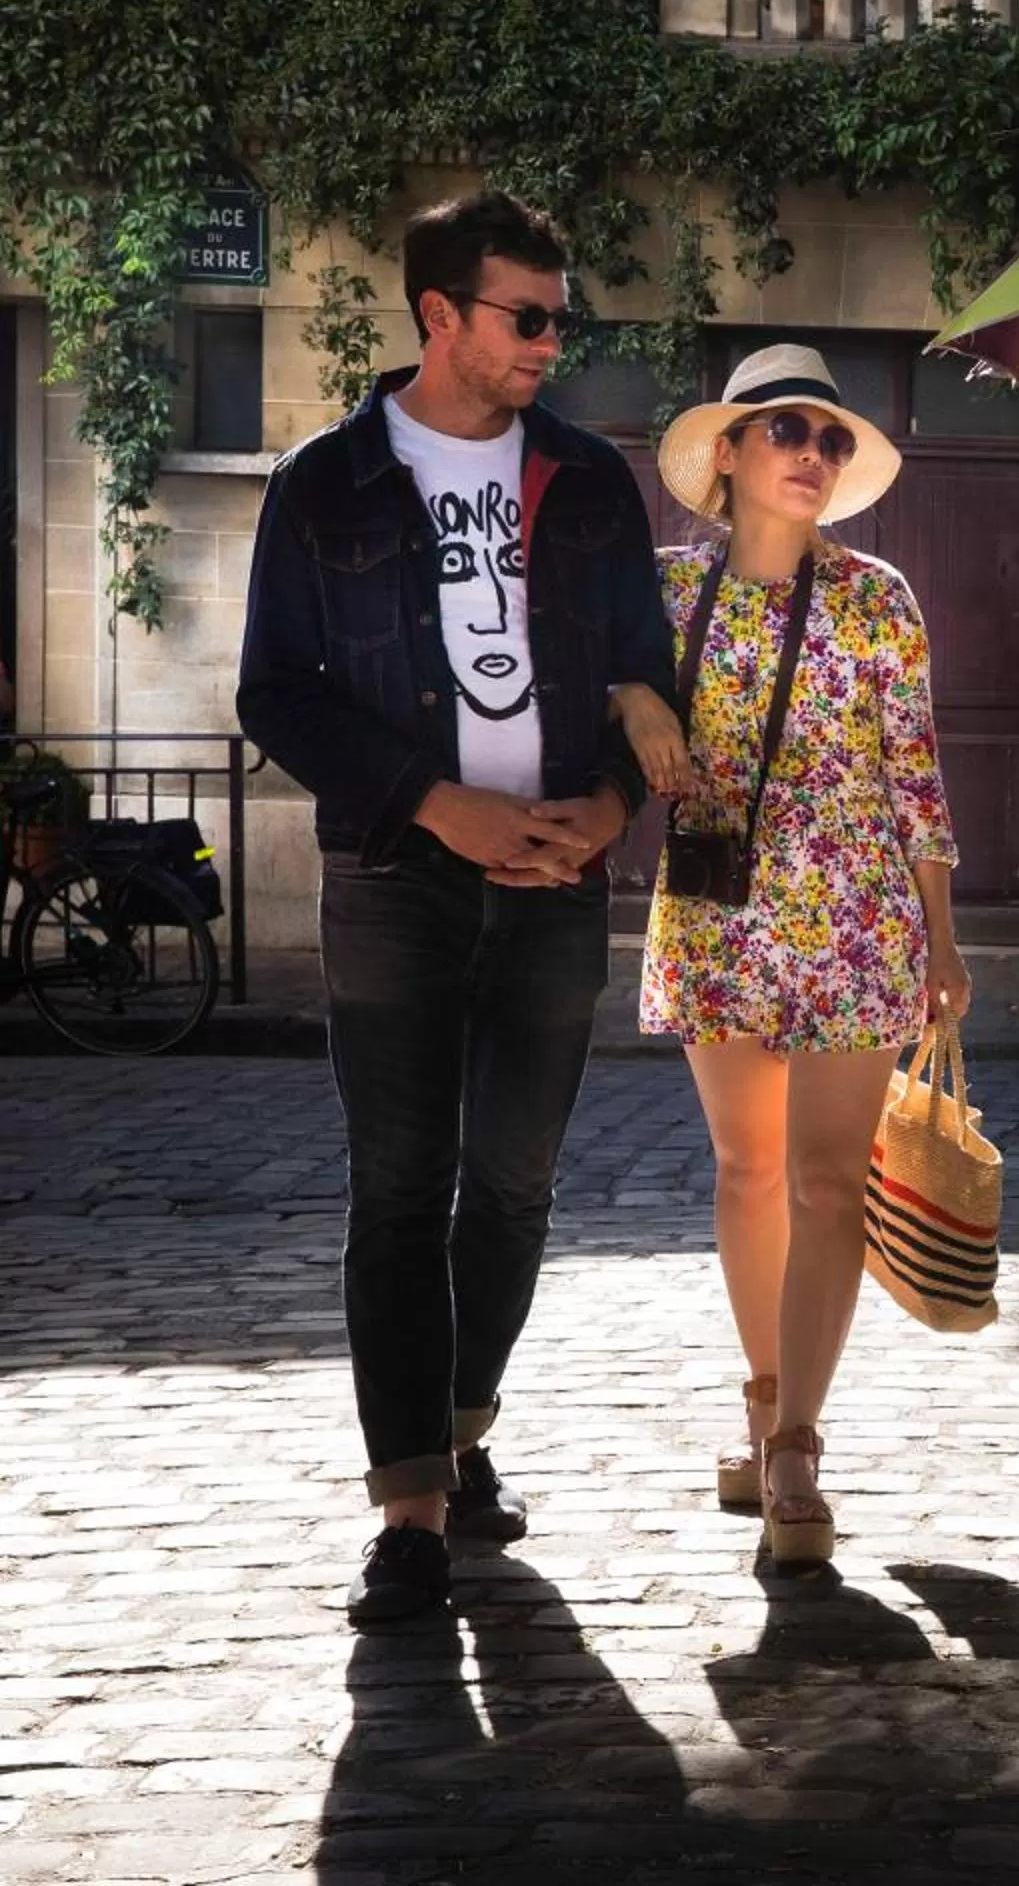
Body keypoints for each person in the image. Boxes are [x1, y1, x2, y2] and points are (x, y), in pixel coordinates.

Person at [236, 191, 677, 1625]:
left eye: (559, 318)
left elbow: (645, 671)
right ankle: (412, 1509)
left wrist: (608, 807)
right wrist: (436, 802)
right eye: (527, 317)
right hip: (394, 883)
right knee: (397, 1189)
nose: (552, 342)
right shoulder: (326, 484)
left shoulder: (590, 482)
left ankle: (462, 1420)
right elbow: (275, 694)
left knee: (516, 1185)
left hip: (557, 882)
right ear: (440, 314)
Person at [641, 344, 968, 1568]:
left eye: (832, 439)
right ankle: (763, 1398)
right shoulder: (665, 589)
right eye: (787, 430)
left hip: (856, 916)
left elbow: (915, 774)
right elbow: (599, 698)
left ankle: (795, 1449)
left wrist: (944, 939)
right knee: (748, 1170)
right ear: (728, 451)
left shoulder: (877, 597)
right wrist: (635, 705)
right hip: (716, 912)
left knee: (831, 1181)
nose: (813, 455)